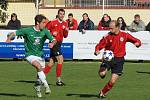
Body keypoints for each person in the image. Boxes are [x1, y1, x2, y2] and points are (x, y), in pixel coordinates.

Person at [6, 14, 57, 98]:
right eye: (43, 23)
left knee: (39, 76)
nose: (45, 24)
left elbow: (54, 40)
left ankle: (37, 88)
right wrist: (9, 38)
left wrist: (52, 43)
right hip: (29, 55)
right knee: (38, 66)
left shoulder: (45, 31)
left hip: (40, 55)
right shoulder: (27, 30)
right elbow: (14, 33)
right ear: (37, 23)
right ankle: (47, 86)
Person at [94, 20, 141, 99]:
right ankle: (103, 72)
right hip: (108, 59)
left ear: (117, 27)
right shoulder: (107, 36)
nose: (110, 30)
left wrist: (138, 44)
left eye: (112, 28)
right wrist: (97, 50)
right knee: (102, 73)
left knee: (112, 81)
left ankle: (102, 93)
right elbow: (99, 45)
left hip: (119, 60)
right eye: (109, 28)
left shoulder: (125, 35)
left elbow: (137, 41)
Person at [44, 9, 69, 86]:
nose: (61, 15)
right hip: (54, 43)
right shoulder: (52, 22)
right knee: (60, 60)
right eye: (60, 14)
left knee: (51, 63)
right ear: (58, 14)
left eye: (63, 14)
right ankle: (58, 80)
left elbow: (65, 36)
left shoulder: (65, 23)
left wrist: (66, 31)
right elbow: (45, 31)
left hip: (59, 43)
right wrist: (51, 33)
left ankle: (40, 77)